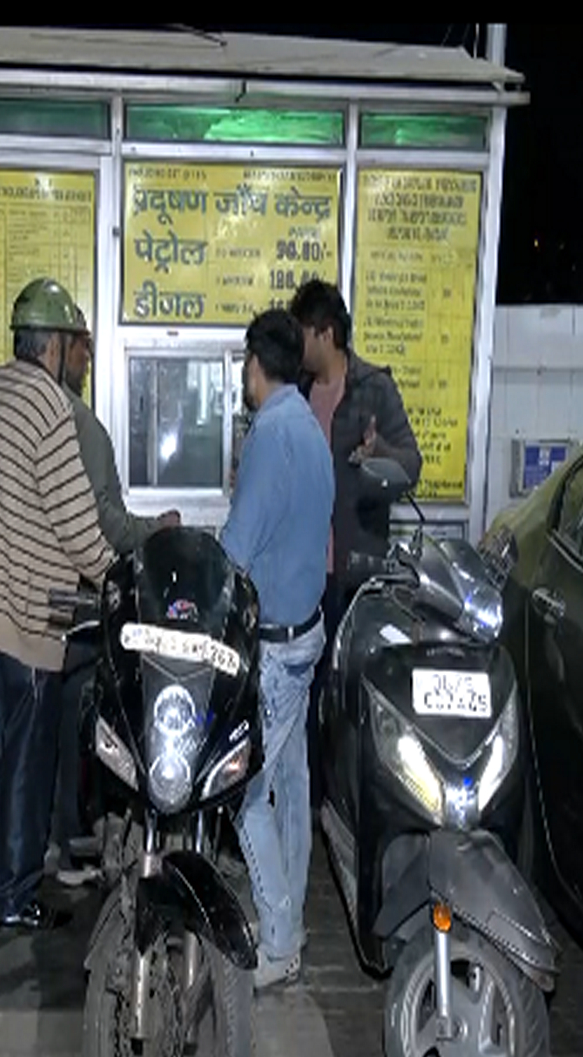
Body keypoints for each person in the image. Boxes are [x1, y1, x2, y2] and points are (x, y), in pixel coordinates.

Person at [0, 278, 115, 930]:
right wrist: (112, 577)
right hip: (29, 615)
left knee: (9, 758)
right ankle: (15, 899)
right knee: (26, 764)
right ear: (52, 345)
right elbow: (78, 523)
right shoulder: (49, 409)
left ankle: (11, 879)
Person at [221, 309, 334, 989]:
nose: (243, 375)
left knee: (243, 790)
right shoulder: (310, 428)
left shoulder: (270, 433)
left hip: (277, 647)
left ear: (256, 364)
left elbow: (238, 545)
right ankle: (289, 914)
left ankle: (280, 938)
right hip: (307, 631)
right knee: (291, 784)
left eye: (244, 363)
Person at [50, 316, 178, 888]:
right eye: (84, 348)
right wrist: (159, 528)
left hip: (37, 601)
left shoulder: (31, 415)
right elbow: (103, 523)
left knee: (42, 732)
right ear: (63, 349)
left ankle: (49, 844)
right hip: (74, 602)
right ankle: (70, 837)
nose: (87, 359)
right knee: (80, 722)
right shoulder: (77, 423)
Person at [288, 280, 422, 808]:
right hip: (303, 574)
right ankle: (311, 802)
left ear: (327, 333)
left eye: (304, 335)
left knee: (350, 700)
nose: (299, 347)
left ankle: (346, 807)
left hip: (355, 572)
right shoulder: (294, 392)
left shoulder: (374, 389)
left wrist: (379, 452)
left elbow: (410, 466)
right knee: (306, 694)